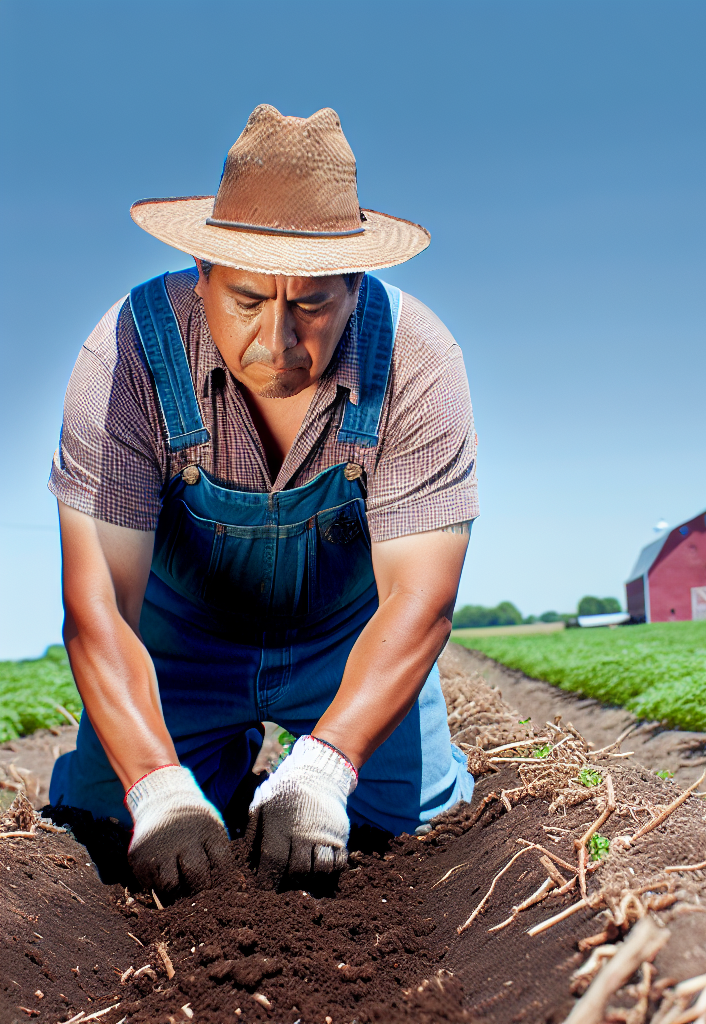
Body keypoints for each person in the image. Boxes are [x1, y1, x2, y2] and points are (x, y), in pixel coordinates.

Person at [48, 104, 477, 894]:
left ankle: (296, 770)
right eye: (246, 300)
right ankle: (206, 768)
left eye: (311, 304)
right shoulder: (125, 355)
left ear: (355, 284)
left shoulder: (419, 360)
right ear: (202, 274)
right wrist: (156, 788)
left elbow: (421, 598)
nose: (276, 341)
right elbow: (99, 606)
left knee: (419, 834)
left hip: (350, 640)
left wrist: (325, 766)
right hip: (181, 645)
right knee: (106, 831)